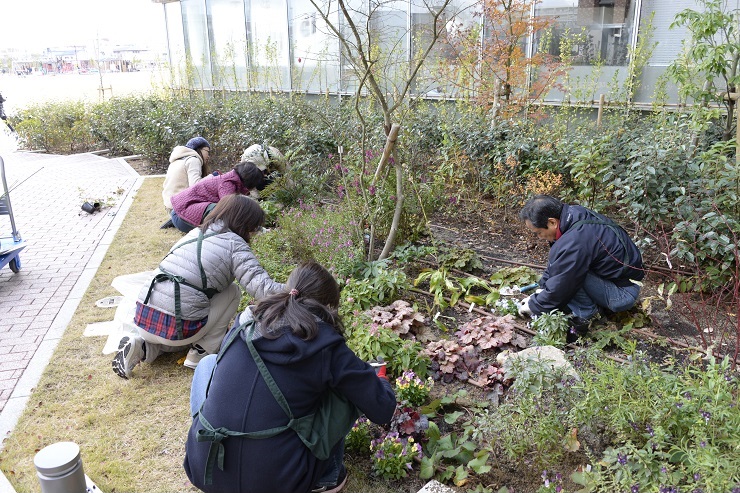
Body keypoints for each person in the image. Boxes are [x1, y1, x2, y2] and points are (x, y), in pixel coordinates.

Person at [184, 261, 396, 493]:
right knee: (341, 392)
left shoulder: (245, 323)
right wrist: (379, 379)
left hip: (207, 470)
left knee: (208, 364)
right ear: (328, 307)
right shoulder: (325, 345)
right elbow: (382, 409)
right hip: (277, 483)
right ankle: (326, 478)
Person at [112, 194, 286, 379]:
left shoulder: (195, 233)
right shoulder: (235, 244)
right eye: (255, 227)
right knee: (232, 291)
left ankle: (141, 345)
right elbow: (264, 290)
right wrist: (297, 287)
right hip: (178, 325)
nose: (254, 232)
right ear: (245, 222)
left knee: (171, 332)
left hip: (143, 318)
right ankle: (201, 352)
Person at [517, 195, 644, 337]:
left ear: (552, 222)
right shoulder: (572, 216)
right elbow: (557, 264)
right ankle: (592, 305)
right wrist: (542, 288)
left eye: (539, 232)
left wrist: (534, 305)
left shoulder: (575, 240)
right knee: (569, 270)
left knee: (570, 276)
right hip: (622, 282)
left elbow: (563, 283)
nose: (539, 237)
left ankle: (587, 314)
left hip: (622, 294)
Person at [169, 161, 265, 233]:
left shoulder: (230, 179)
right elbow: (231, 212)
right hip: (181, 217)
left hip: (178, 213)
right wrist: (258, 228)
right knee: (224, 210)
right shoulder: (227, 184)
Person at [161, 136, 214, 229]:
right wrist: (212, 177)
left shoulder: (178, 159)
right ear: (199, 149)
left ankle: (174, 220)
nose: (208, 156)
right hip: (179, 208)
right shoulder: (193, 160)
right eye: (207, 151)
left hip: (169, 206)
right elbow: (196, 185)